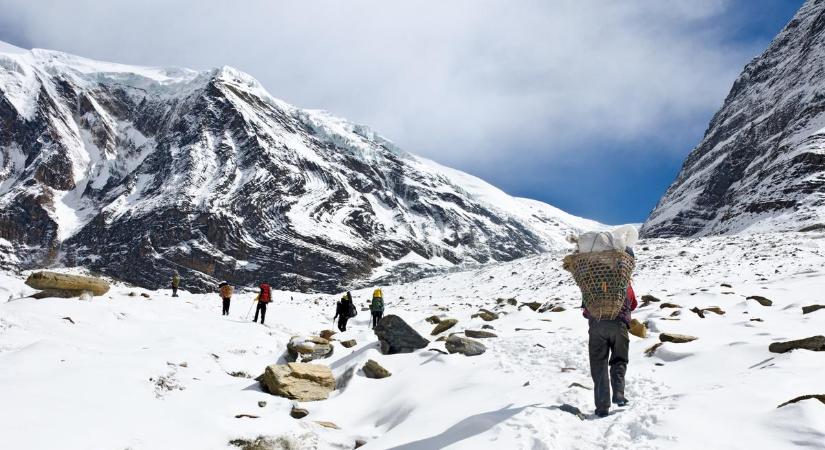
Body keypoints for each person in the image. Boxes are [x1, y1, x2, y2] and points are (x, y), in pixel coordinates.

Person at [583, 247, 637, 418]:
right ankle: (619, 394)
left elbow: (585, 310)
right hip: (619, 326)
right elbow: (633, 304)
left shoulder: (592, 281)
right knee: (619, 359)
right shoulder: (625, 282)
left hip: (597, 326)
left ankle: (602, 407)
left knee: (598, 365)